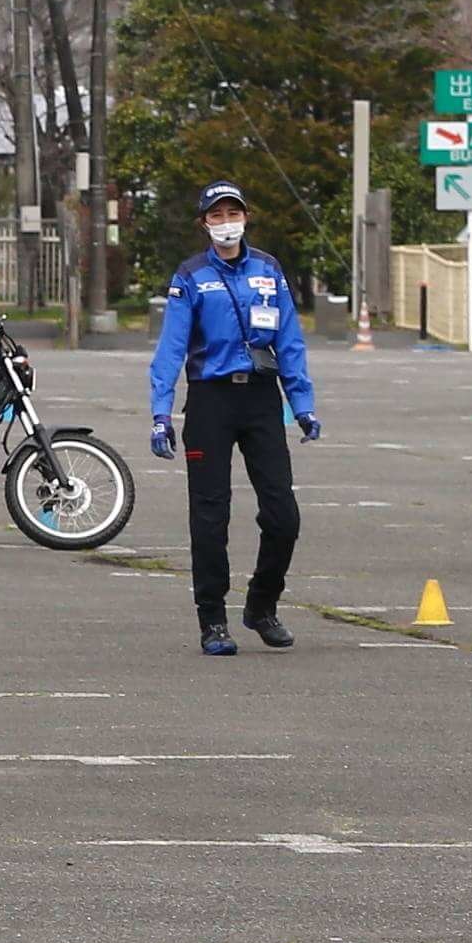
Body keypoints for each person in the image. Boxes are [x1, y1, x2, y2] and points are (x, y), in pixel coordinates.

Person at [149, 181, 319, 656]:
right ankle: (212, 621)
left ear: (246, 216)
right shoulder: (191, 276)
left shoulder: (268, 269)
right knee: (210, 517)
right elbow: (171, 349)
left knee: (283, 515)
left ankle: (262, 604)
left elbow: (289, 340)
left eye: (234, 213)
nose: (227, 222)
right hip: (210, 402)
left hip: (262, 399)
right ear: (205, 222)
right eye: (217, 215)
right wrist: (161, 412)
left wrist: (302, 404)